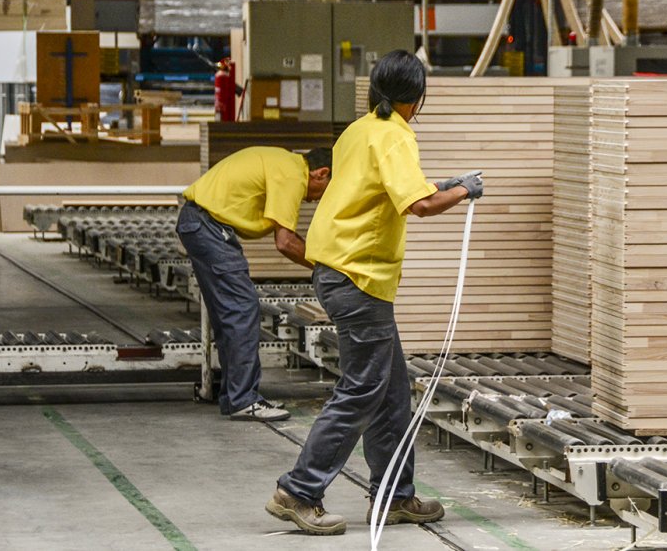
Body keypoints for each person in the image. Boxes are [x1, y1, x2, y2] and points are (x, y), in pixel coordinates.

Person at [265, 50, 482, 535]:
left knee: (391, 392)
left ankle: (395, 495)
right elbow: (420, 206)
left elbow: (388, 190)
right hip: (357, 276)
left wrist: (442, 186)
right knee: (363, 388)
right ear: (416, 98)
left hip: (341, 270)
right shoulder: (394, 135)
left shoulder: (358, 131)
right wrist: (464, 190)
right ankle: (298, 491)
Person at [177, 146, 333, 422]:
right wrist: (326, 268)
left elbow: (287, 233)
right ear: (322, 174)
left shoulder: (285, 164)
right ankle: (243, 399)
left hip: (203, 225)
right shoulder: (292, 176)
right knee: (242, 309)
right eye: (325, 192)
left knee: (230, 314)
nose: (316, 201)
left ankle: (233, 397)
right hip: (209, 228)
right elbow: (285, 242)